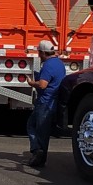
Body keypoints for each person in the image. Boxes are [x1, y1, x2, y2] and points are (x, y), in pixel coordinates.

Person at [25, 40, 66, 168]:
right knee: (43, 130)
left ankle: (38, 151)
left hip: (45, 102)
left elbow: (43, 85)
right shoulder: (59, 64)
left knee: (33, 126)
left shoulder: (48, 65)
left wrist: (31, 83)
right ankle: (40, 157)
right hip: (53, 102)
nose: (38, 55)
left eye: (39, 52)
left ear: (43, 52)